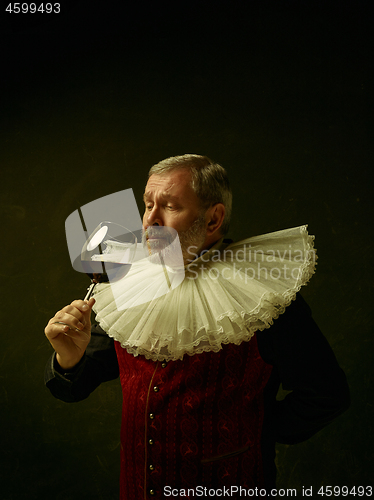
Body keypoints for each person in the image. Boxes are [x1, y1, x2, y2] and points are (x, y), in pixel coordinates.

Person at [45, 154, 350, 498]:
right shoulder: (124, 283)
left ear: (213, 218)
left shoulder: (262, 296)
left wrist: (254, 434)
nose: (149, 221)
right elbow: (73, 387)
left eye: (170, 206)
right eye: (147, 205)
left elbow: (327, 394)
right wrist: (67, 359)